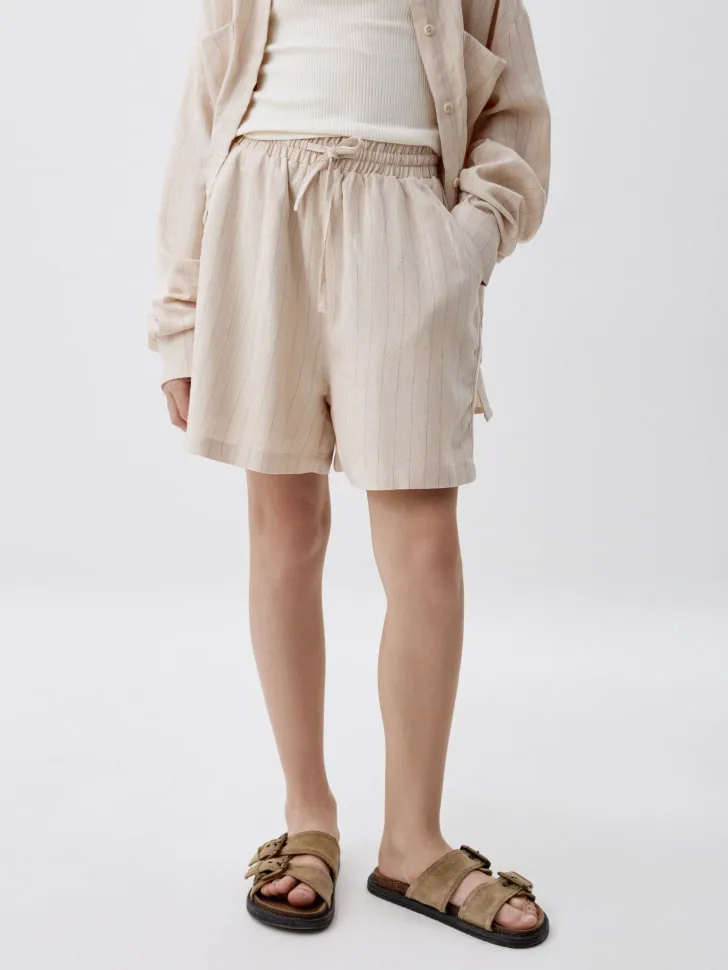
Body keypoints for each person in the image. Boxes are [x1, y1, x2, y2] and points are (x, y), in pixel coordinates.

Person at [147, 0, 551, 947]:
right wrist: (180, 311)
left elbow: (516, 110)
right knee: (285, 532)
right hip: (259, 212)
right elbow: (207, 101)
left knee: (424, 549)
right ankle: (308, 816)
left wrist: (468, 236)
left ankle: (413, 840)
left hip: (406, 219)